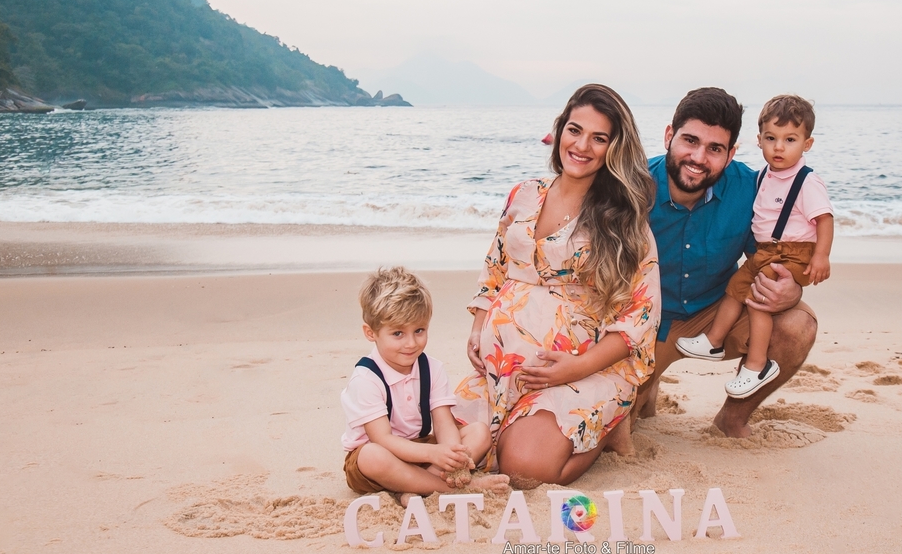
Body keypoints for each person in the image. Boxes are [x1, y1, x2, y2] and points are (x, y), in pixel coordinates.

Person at [455, 84, 660, 486]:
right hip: (502, 369)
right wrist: (479, 326)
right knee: (443, 443)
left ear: (614, 148)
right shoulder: (525, 194)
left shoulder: (623, 220)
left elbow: (641, 316)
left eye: (599, 138)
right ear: (559, 130)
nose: (582, 145)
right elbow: (495, 266)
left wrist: (574, 368)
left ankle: (603, 430)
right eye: (574, 130)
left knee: (523, 469)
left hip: (580, 371)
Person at [634, 87, 819, 437]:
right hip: (647, 321)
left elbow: (774, 256)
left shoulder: (753, 188)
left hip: (718, 311)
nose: (699, 157)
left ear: (731, 153)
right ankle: (646, 389)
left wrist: (788, 290)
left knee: (798, 326)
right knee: (618, 432)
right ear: (669, 135)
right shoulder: (632, 186)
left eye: (715, 148)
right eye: (690, 140)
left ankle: (732, 418)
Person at [676, 94, 834, 398]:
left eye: (790, 139)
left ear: (807, 144)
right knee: (736, 287)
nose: (779, 147)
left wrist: (821, 257)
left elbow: (824, 219)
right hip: (767, 251)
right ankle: (712, 340)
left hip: (793, 251)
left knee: (758, 298)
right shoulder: (760, 177)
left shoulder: (806, 182)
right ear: (759, 140)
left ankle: (757, 365)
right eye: (771, 138)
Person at [340, 266, 509, 500]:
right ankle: (451, 489)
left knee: (479, 432)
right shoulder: (366, 378)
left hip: (421, 451)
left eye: (419, 330)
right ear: (371, 333)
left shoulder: (432, 368)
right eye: (398, 334)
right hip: (380, 457)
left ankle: (413, 488)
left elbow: (443, 423)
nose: (411, 343)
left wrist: (451, 456)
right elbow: (383, 439)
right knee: (372, 456)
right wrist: (433, 453)